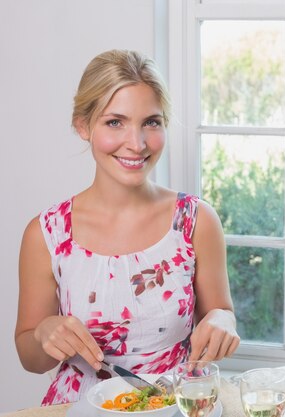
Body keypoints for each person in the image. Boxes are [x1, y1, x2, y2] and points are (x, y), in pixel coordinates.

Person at [14, 49, 240, 405]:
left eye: (151, 122)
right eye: (115, 122)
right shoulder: (46, 233)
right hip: (79, 408)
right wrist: (43, 333)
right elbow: (29, 356)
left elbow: (221, 312)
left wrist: (224, 322)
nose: (137, 144)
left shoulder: (196, 221)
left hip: (176, 405)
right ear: (83, 125)